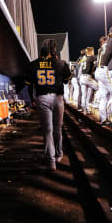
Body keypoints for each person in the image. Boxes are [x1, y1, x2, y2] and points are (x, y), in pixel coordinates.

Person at [26, 39, 72, 171]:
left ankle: (51, 161)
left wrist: (32, 99)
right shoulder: (60, 63)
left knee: (47, 131)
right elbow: (66, 81)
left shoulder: (33, 64)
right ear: (54, 49)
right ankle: (58, 154)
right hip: (57, 98)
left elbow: (29, 85)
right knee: (58, 128)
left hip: (42, 98)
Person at [96, 26, 112, 125]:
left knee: (104, 97)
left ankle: (104, 119)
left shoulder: (100, 48)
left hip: (98, 70)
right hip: (105, 70)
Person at [79, 47, 98, 114]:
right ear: (90, 52)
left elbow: (79, 64)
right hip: (87, 77)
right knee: (99, 87)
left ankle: (85, 110)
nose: (93, 52)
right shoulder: (91, 57)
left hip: (82, 77)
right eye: (92, 51)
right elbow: (99, 58)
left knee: (85, 95)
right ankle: (96, 102)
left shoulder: (84, 58)